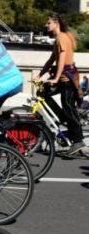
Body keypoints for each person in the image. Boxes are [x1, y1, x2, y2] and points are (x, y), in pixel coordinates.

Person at [34, 13, 86, 155]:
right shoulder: (59, 38)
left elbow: (62, 59)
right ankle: (63, 120)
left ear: (56, 23)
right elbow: (52, 59)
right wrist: (39, 75)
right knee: (42, 92)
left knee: (68, 107)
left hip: (67, 79)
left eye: (48, 22)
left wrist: (56, 78)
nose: (46, 25)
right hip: (63, 77)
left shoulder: (62, 37)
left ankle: (78, 140)